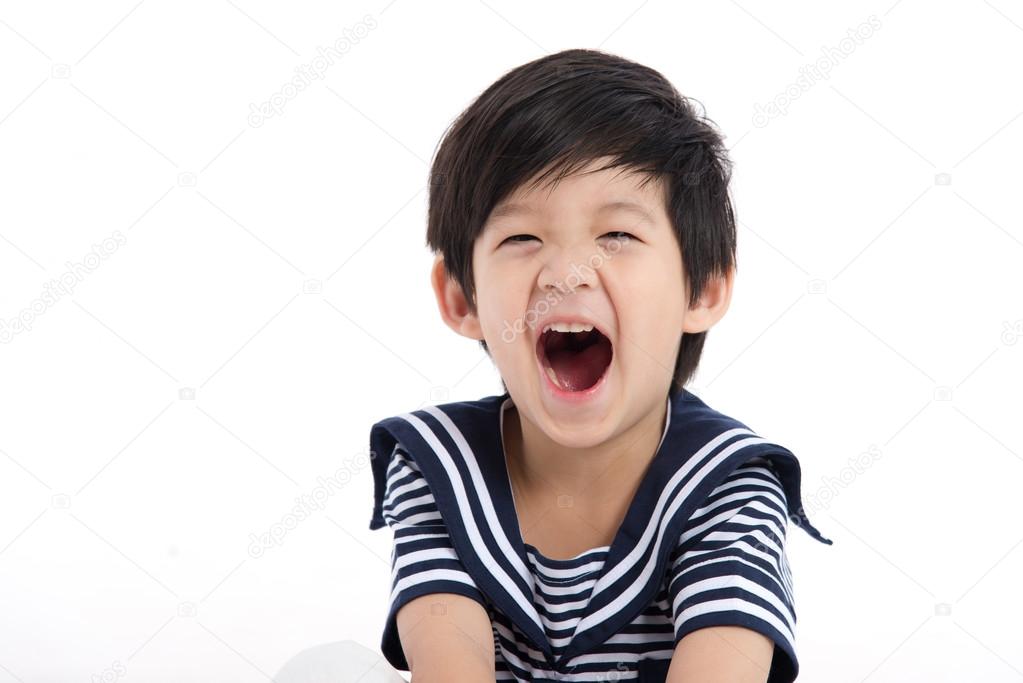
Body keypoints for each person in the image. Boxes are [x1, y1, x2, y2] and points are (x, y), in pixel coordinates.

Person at [366, 48, 833, 683]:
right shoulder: (437, 467)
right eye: (521, 238)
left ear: (702, 290)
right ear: (459, 297)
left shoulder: (727, 484)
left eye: (617, 236)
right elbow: (450, 664)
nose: (565, 274)